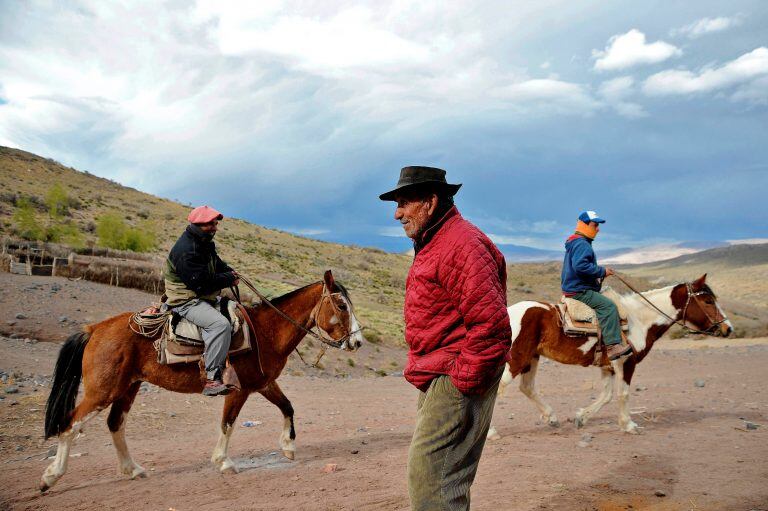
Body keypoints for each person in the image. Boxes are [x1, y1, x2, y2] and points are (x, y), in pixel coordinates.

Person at [379, 166, 512, 511]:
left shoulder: (461, 244)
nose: (397, 213)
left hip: (455, 373)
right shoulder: (439, 241)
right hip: (443, 371)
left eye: (404, 203)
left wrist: (462, 382)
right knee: (439, 480)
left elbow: (492, 326)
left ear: (431, 201)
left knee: (432, 483)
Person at [163, 205, 240, 396]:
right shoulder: (186, 250)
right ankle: (212, 378)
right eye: (210, 224)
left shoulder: (204, 242)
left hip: (201, 295)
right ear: (198, 225)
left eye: (215, 223)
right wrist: (229, 279)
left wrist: (230, 271)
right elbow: (202, 285)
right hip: (186, 300)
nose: (215, 228)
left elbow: (218, 264)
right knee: (220, 325)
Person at [561, 210, 631, 361]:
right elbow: (580, 266)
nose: (597, 229)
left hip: (575, 287)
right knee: (609, 307)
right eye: (595, 225)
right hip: (580, 290)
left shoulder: (575, 241)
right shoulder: (582, 244)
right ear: (584, 225)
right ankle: (613, 346)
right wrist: (602, 271)